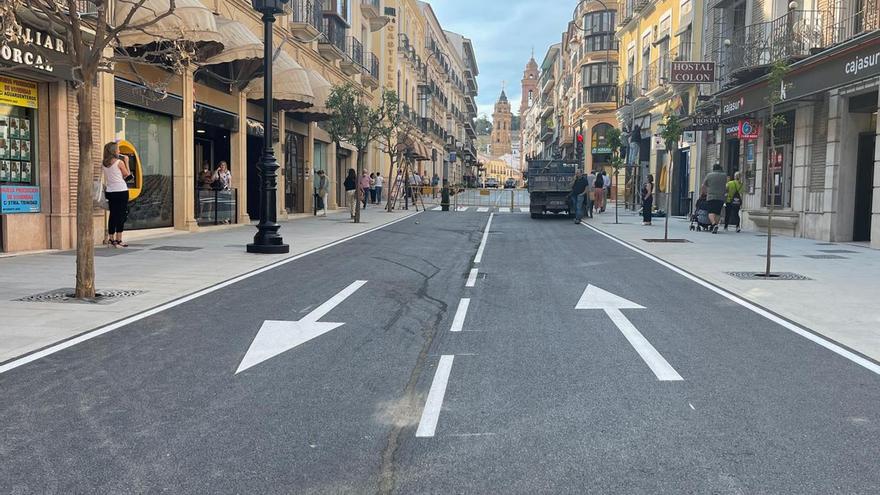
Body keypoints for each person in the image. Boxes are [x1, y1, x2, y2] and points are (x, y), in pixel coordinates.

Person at [102, 141, 132, 247]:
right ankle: (119, 240)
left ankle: (111, 239)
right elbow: (128, 177)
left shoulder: (104, 163)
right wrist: (127, 162)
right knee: (121, 214)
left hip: (110, 191)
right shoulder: (119, 162)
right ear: (114, 151)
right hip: (121, 191)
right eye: (118, 149)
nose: (119, 151)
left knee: (113, 215)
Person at [702, 163, 728, 234]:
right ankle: (715, 226)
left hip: (711, 196)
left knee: (710, 212)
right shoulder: (724, 176)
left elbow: (703, 185)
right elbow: (727, 185)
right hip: (721, 197)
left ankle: (714, 224)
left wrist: (704, 193)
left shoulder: (709, 175)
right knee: (717, 213)